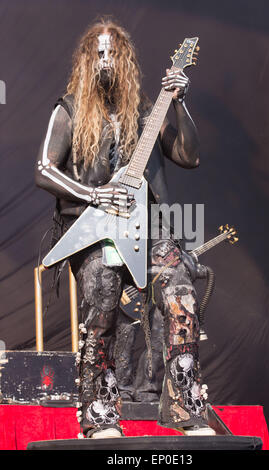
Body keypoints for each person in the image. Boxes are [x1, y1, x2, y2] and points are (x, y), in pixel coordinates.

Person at [35, 18, 216, 439]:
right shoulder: (70, 110)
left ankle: (185, 402)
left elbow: (189, 157)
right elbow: (44, 168)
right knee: (102, 286)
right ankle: (98, 410)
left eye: (112, 52)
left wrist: (178, 103)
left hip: (146, 230)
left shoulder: (143, 112)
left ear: (126, 60)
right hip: (95, 230)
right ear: (85, 60)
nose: (104, 59)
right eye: (97, 52)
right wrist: (93, 195)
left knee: (179, 285)